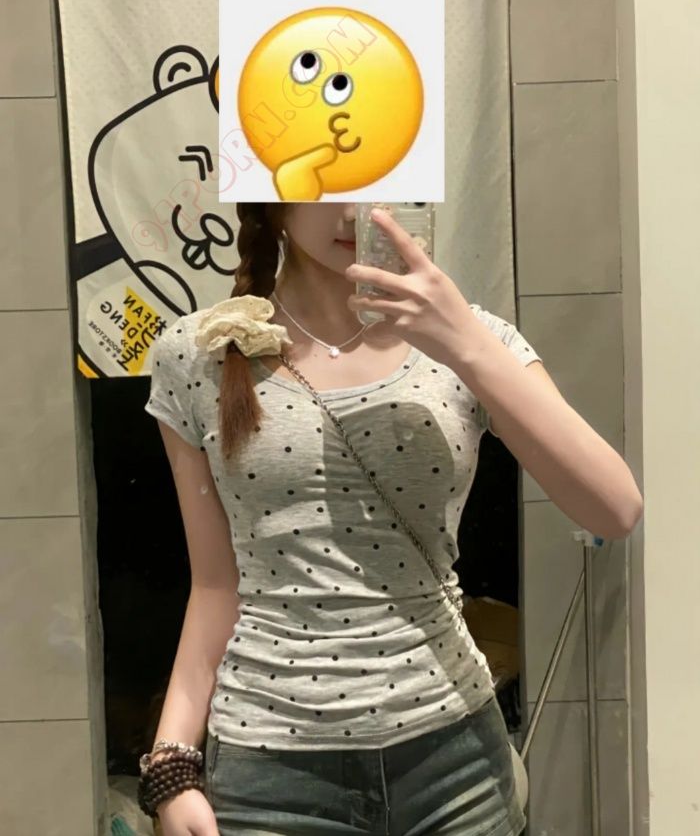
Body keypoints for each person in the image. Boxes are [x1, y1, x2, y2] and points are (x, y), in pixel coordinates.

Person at [141, 202, 643, 835]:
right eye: (328, 180)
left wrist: (466, 344)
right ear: (273, 194)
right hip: (269, 771)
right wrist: (172, 763)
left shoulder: (471, 338)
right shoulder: (200, 353)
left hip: (457, 761)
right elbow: (216, 585)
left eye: (381, 177)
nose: (356, 209)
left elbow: (614, 508)